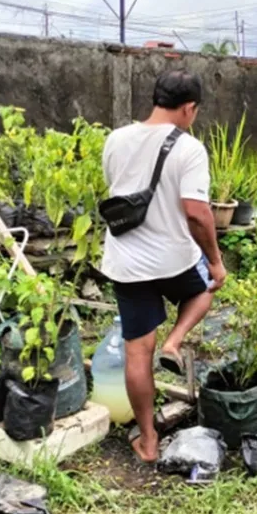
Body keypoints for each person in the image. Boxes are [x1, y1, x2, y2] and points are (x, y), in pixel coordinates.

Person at [100, 70, 227, 464]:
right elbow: (197, 212)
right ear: (189, 108)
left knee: (138, 353)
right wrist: (215, 260)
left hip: (126, 261)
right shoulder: (190, 149)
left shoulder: (116, 139)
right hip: (173, 258)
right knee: (205, 289)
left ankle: (149, 441)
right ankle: (174, 341)